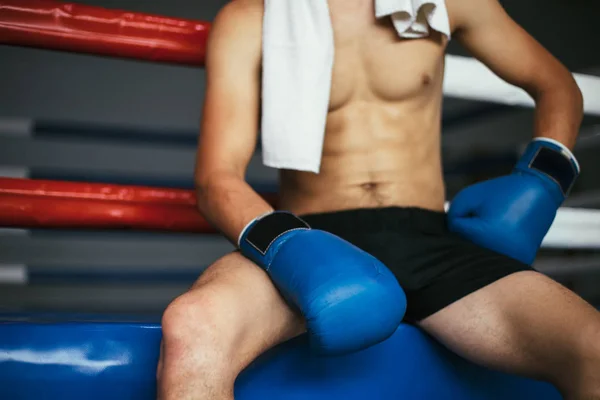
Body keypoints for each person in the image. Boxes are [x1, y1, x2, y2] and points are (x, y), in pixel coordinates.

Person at [157, 0, 600, 399]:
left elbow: (557, 86)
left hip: (431, 242)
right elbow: (216, 178)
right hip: (311, 238)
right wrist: (288, 244)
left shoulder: (447, 3)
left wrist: (540, 180)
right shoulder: (253, 16)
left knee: (592, 346)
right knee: (195, 325)